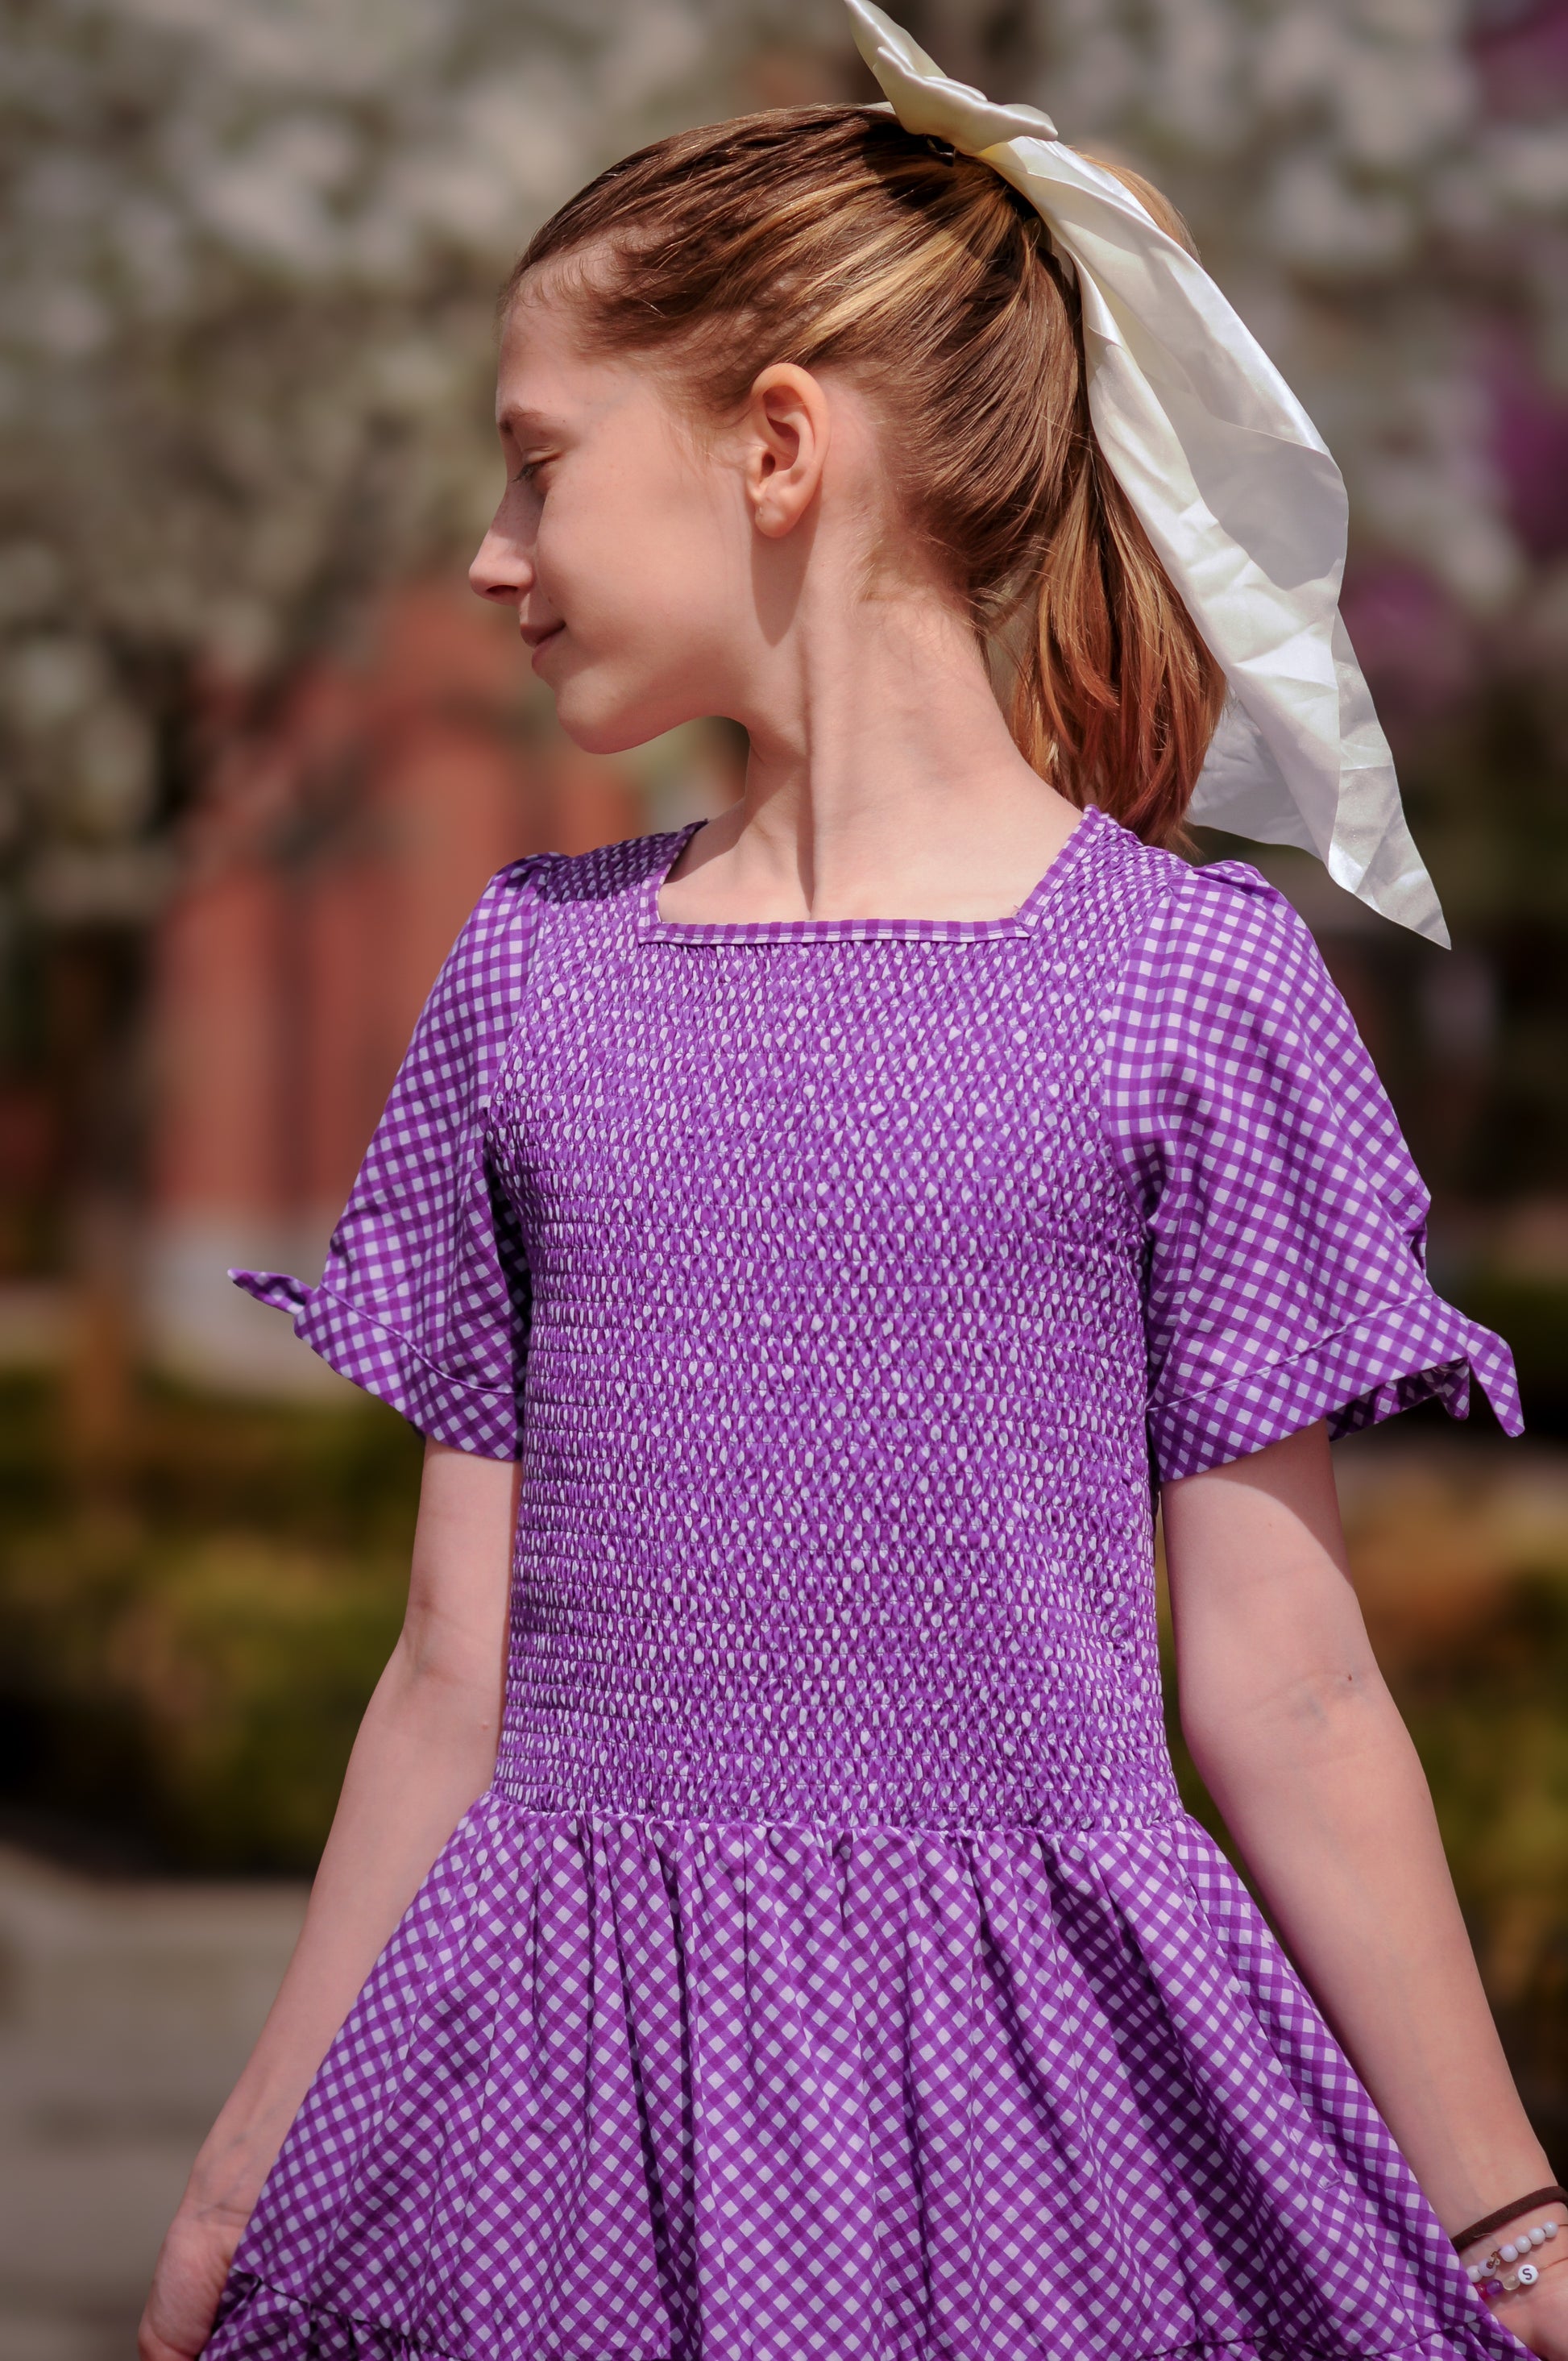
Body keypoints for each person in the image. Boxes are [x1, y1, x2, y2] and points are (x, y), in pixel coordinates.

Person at [141, 7, 1564, 2358]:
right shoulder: (528, 982)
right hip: (551, 2124)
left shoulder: (1180, 991)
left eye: (532, 466)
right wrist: (238, 2170)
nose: (490, 556)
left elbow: (1289, 1688)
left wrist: (1499, 2220)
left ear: (775, 448)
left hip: (1049, 2127)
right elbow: (445, 1670)